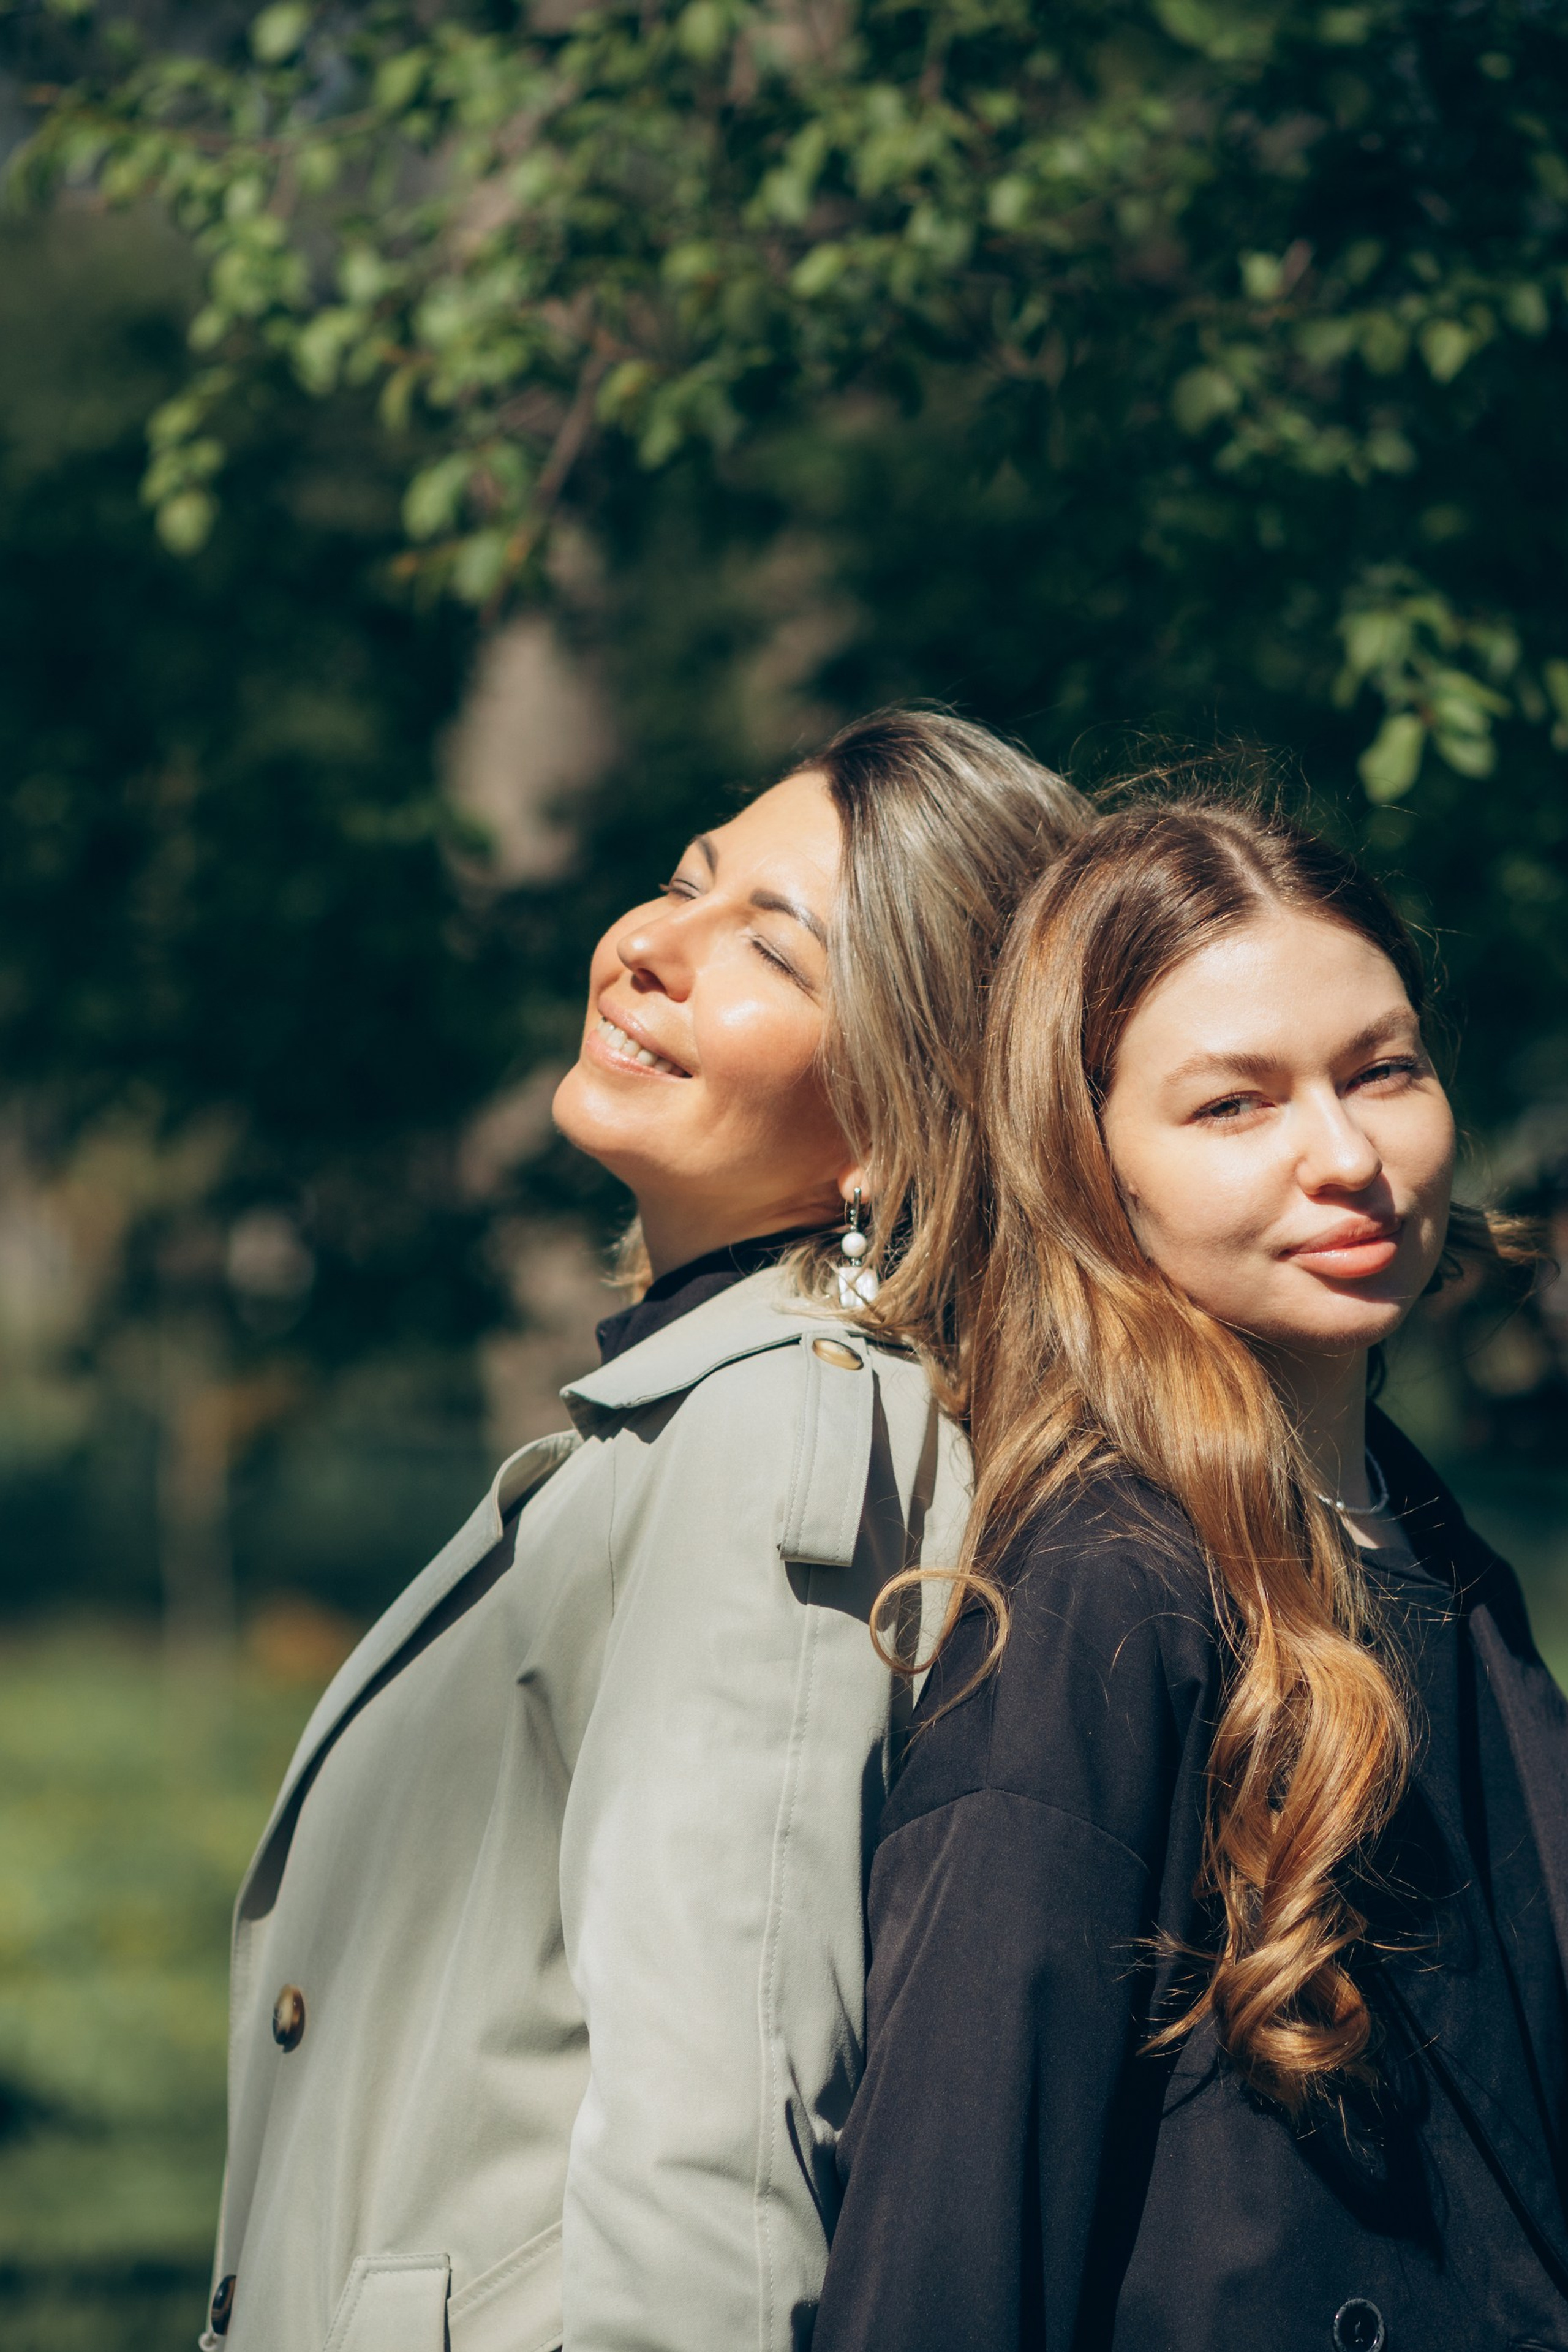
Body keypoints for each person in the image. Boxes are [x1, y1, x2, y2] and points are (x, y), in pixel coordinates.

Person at [198, 709, 1087, 2352]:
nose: (649, 948)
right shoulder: (699, 1407)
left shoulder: (771, 1430)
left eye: (771, 947)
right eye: (685, 881)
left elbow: (718, 2144)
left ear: (902, 1120)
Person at [813, 795, 1568, 2352]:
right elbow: (947, 2260)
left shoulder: (1436, 1561)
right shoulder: (1102, 1597)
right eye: (1234, 1105)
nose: (1345, 1155)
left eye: (1382, 1070)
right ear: (1086, 1165)